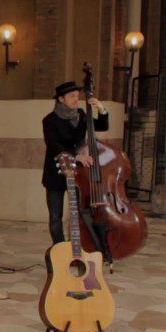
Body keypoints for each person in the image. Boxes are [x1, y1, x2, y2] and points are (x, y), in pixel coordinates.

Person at [42, 81, 109, 244]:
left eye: (78, 96)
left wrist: (101, 109)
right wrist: (76, 156)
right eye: (72, 96)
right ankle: (60, 251)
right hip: (56, 172)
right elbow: (53, 145)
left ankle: (82, 248)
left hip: (79, 173)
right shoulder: (50, 120)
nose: (76, 99)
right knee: (55, 217)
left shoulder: (81, 114)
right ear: (61, 99)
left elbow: (101, 126)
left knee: (82, 212)